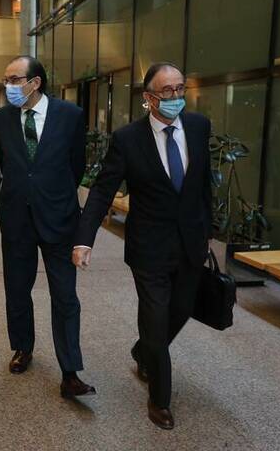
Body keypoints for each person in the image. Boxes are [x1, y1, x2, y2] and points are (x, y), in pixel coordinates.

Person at [72, 62, 212, 430]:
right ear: (149, 98)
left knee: (181, 310)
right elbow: (102, 190)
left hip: (191, 243)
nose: (175, 96)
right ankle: (159, 399)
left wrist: (208, 230)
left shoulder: (199, 127)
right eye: (167, 91)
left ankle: (142, 349)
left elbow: (203, 185)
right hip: (149, 248)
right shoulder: (128, 139)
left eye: (180, 88)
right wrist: (84, 239)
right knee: (156, 318)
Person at [0, 55, 95, 400]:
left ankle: (70, 371)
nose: (8, 86)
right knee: (17, 290)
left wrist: (53, 195)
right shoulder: (0, 119)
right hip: (16, 219)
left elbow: (77, 165)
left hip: (59, 218)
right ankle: (22, 348)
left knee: (65, 296)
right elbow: (2, 164)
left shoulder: (70, 115)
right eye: (6, 80)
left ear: (35, 83)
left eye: (14, 80)